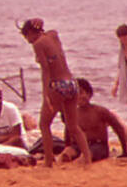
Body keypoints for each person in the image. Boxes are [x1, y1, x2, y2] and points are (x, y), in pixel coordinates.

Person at [19, 18, 90, 166]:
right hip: (72, 83)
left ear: (31, 33)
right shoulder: (52, 36)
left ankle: (48, 161)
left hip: (57, 84)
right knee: (73, 126)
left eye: (27, 36)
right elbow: (53, 32)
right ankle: (87, 159)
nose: (28, 41)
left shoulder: (38, 44)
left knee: (44, 124)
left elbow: (46, 71)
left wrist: (45, 95)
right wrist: (40, 23)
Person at [57, 79, 127, 161]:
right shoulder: (73, 114)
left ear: (89, 94)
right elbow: (68, 132)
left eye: (81, 93)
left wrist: (125, 151)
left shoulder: (100, 111)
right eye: (76, 94)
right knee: (64, 155)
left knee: (85, 157)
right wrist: (67, 147)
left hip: (98, 145)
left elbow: (118, 128)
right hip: (78, 146)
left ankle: (81, 160)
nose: (79, 97)